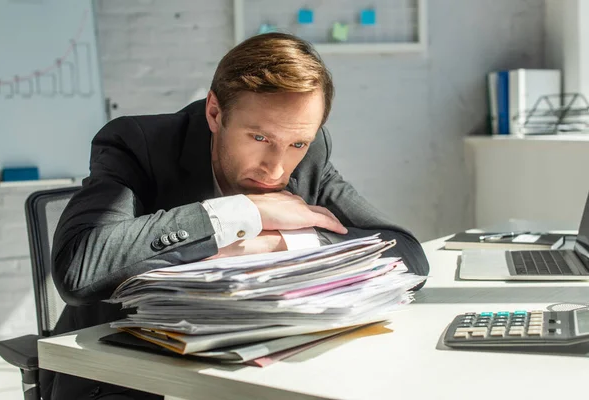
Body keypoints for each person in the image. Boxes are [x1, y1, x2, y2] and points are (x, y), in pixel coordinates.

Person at [42, 32, 430, 400]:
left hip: (256, 364)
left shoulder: (309, 153)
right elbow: (79, 270)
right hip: (121, 371)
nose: (277, 169)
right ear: (214, 111)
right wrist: (245, 211)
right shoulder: (137, 144)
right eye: (259, 138)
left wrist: (280, 241)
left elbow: (408, 255)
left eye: (297, 143)